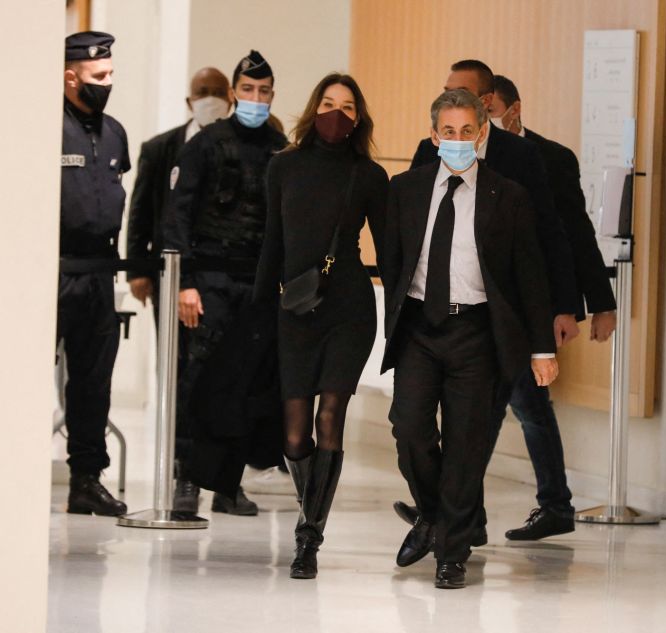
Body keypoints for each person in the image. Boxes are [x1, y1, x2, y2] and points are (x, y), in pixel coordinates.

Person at [394, 59, 579, 546]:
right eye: (447, 130)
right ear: (434, 135)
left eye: (467, 129)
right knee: (409, 428)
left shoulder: (511, 188)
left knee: (468, 440)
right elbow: (399, 250)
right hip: (421, 325)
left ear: (482, 130)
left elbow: (539, 259)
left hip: (483, 327)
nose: (457, 138)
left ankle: (452, 546)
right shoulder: (408, 186)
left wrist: (544, 343)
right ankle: (436, 514)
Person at [253, 73, 388, 579]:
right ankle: (310, 510)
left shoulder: (368, 175)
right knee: (294, 436)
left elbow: (389, 250)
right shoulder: (283, 167)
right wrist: (259, 311)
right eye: (329, 103)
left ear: (358, 118)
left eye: (348, 106)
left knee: (330, 417)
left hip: (349, 308)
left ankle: (309, 535)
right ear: (314, 108)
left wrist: (401, 314)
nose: (337, 113)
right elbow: (273, 243)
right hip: (295, 310)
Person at [487, 74, 619, 539]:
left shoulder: (551, 158)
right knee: (497, 405)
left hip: (531, 304)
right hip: (480, 301)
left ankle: (551, 505)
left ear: (514, 108)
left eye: (489, 107)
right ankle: (454, 509)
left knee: (525, 403)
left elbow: (572, 234)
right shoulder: (460, 153)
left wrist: (591, 304)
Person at [164, 50, 287, 516]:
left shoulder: (280, 147)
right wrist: (185, 284)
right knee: (200, 383)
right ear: (235, 93)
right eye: (248, 90)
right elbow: (178, 217)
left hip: (257, 287)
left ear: (272, 95)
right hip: (210, 282)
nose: (256, 98)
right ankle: (187, 482)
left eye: (264, 91)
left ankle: (227, 484)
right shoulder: (205, 144)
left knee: (247, 387)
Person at [59, 31, 130, 517]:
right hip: (53, 267)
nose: (108, 82)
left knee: (92, 381)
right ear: (70, 77)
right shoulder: (46, 126)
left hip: (100, 271)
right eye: (98, 76)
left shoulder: (114, 133)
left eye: (110, 74)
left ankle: (86, 478)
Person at [126, 67, 232, 313]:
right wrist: (137, 270)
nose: (211, 99)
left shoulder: (240, 147)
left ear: (230, 100)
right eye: (203, 93)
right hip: (170, 267)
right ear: (189, 101)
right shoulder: (159, 149)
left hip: (222, 270)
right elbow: (140, 211)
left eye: (218, 93)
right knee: (172, 346)